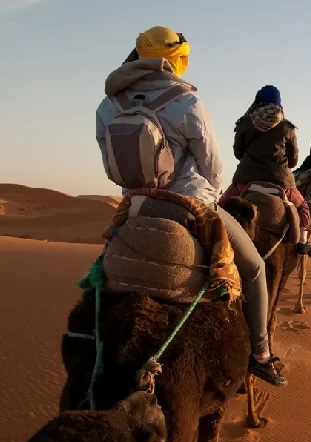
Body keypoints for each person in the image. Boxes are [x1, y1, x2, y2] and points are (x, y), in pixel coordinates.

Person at [95, 26, 286, 387]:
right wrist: (207, 199)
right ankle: (260, 354)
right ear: (177, 59)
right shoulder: (187, 102)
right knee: (256, 268)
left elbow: (110, 166)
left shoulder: (108, 105)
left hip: (135, 206)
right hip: (190, 203)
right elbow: (212, 166)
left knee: (99, 270)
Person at [221, 85, 311, 257]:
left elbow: (238, 153)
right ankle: (303, 242)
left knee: (221, 207)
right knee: (303, 206)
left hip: (246, 179)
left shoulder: (245, 122)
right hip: (281, 182)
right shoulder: (287, 127)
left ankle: (214, 239)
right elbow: (294, 160)